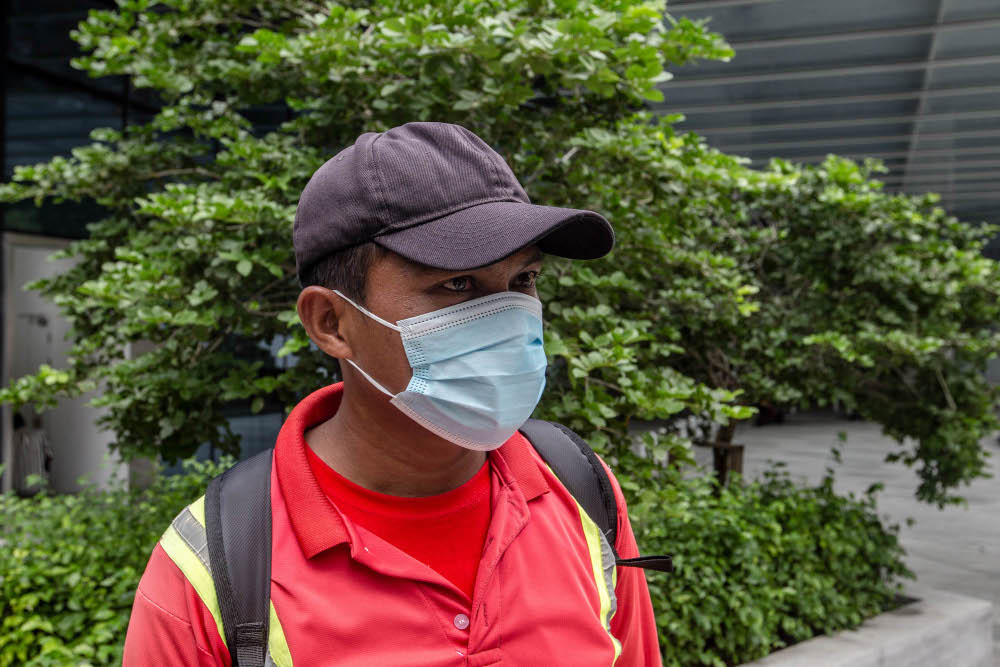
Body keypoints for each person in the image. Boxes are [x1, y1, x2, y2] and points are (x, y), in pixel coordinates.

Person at [123, 122, 662, 666]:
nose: (508, 318)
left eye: (523, 281)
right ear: (331, 322)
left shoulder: (578, 490)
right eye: (457, 284)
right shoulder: (216, 565)